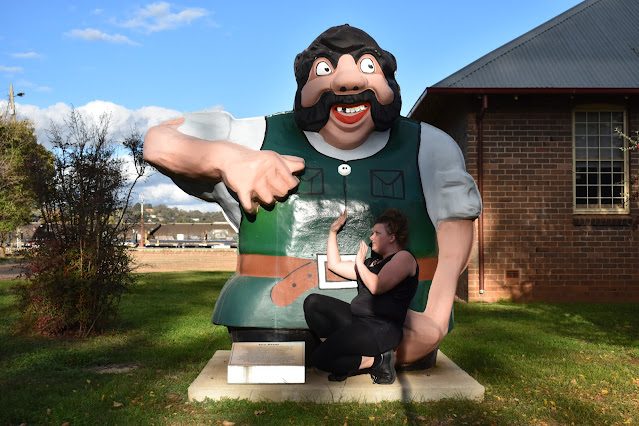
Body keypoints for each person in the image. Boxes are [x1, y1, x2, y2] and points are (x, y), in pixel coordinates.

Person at [143, 25, 481, 367]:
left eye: (367, 67)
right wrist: (228, 157)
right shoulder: (256, 136)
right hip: (271, 311)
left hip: (402, 318)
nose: (348, 84)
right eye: (325, 69)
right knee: (275, 371)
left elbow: (457, 224)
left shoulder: (429, 146)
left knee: (377, 360)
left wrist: (436, 319)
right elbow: (161, 140)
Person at [304, 209, 418, 384]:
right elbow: (335, 265)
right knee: (313, 302)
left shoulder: (404, 258)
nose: (371, 237)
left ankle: (379, 361)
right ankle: (340, 361)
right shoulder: (371, 263)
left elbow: (376, 286)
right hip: (357, 321)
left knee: (319, 359)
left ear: (392, 237)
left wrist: (359, 263)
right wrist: (332, 231)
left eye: (377, 233)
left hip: (380, 329)